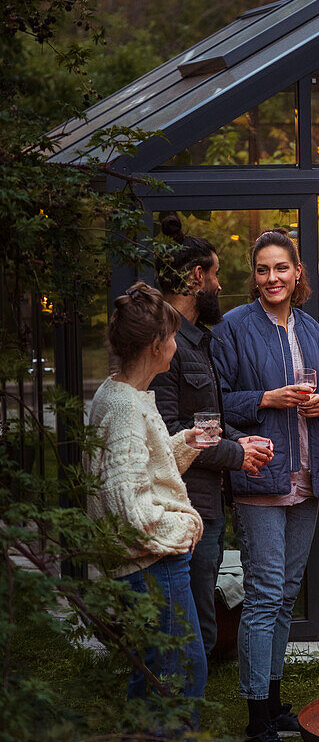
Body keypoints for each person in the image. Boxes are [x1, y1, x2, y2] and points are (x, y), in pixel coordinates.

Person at [212, 228, 319, 742]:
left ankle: (276, 698)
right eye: (263, 270)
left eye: (281, 269)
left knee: (286, 595)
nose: (272, 279)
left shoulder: (312, 329)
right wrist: (266, 397)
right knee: (264, 596)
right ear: (253, 274)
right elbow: (215, 403)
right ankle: (256, 717)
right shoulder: (232, 328)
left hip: (305, 480)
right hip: (262, 477)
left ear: (297, 272)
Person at [151, 213, 272, 660]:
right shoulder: (164, 345)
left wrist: (243, 441)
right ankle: (182, 722)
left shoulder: (197, 341)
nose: (220, 286)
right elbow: (168, 434)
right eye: (215, 274)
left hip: (206, 505)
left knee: (197, 620)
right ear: (196, 276)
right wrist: (235, 454)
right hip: (183, 507)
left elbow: (207, 419)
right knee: (189, 631)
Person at [87, 281, 208, 709]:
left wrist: (185, 443)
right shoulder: (123, 407)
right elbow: (127, 506)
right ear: (157, 346)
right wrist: (185, 525)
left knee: (155, 674)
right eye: (173, 336)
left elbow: (140, 472)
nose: (177, 343)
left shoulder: (124, 392)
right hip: (152, 565)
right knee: (183, 674)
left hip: (145, 563)